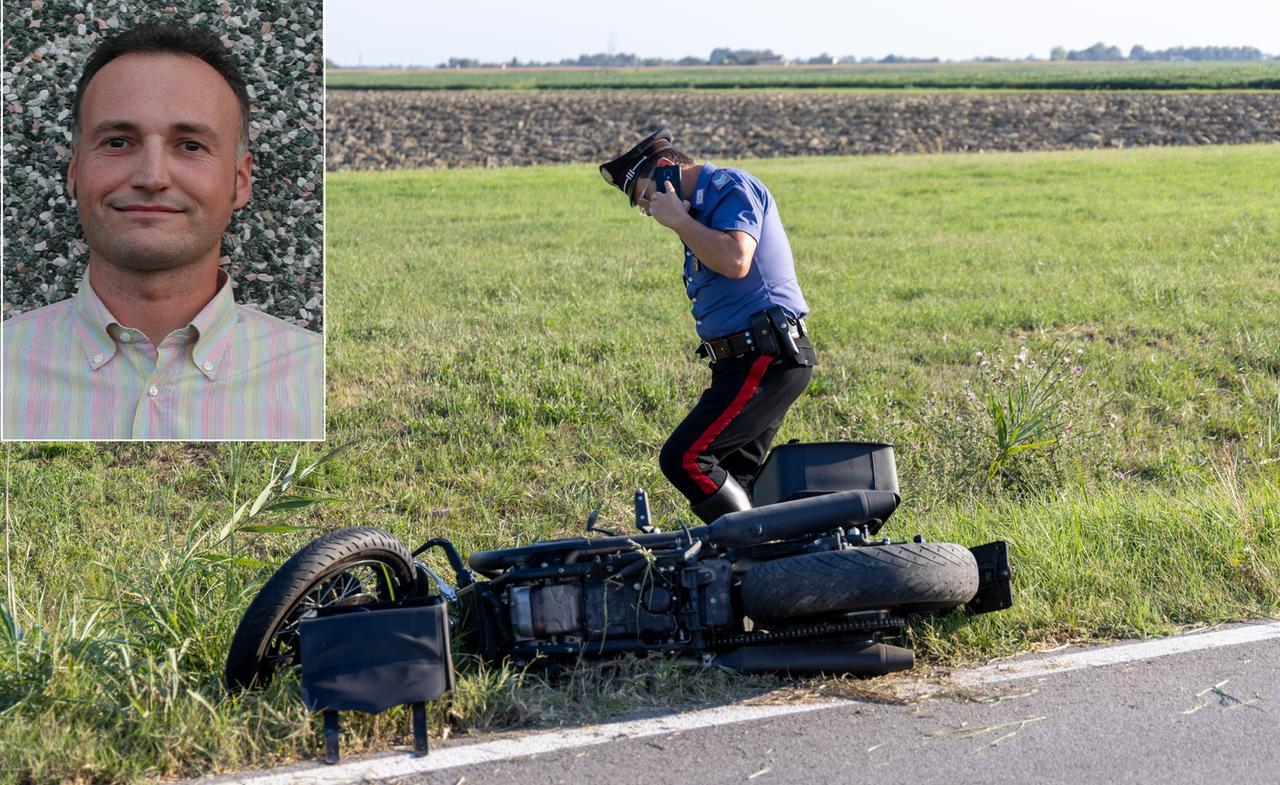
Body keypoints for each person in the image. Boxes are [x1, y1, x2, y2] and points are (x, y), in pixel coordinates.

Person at [1, 22, 323, 440]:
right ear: (75, 171)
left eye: (190, 145)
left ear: (240, 181)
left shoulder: (317, 380)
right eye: (118, 142)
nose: (152, 177)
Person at [600, 128, 816, 522]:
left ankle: (749, 546)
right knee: (737, 479)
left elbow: (736, 260)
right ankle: (762, 567)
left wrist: (680, 221)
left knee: (687, 458)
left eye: (645, 196)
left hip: (765, 356)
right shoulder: (698, 213)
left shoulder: (730, 186)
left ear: (666, 170)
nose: (648, 210)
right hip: (744, 362)